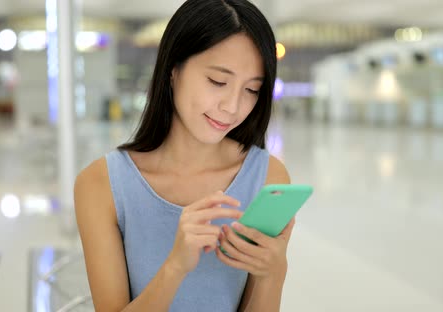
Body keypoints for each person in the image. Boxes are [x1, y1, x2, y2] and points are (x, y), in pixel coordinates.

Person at [74, 0, 294, 311]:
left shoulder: (268, 177)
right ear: (173, 70)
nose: (232, 106)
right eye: (218, 81)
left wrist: (273, 272)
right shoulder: (101, 185)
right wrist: (175, 267)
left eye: (252, 90)